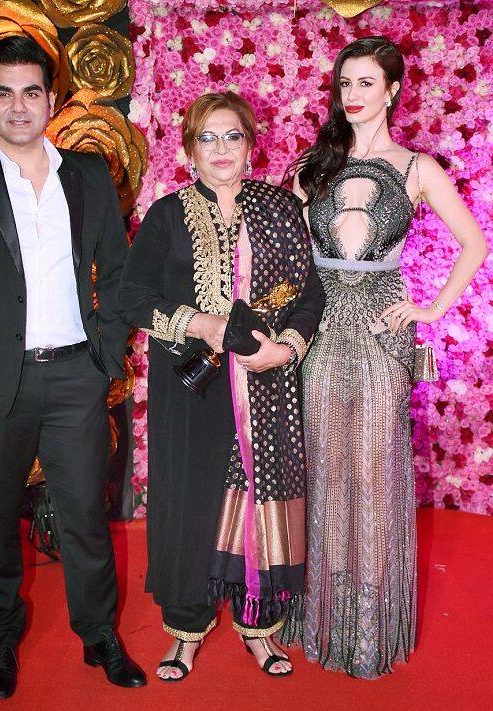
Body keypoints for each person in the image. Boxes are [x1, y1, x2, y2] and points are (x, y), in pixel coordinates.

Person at [0, 36, 146, 698]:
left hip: (75, 379)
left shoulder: (90, 173)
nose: (18, 106)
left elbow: (117, 274)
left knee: (86, 519)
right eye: (4, 92)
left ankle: (99, 636)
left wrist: (104, 359)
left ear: (51, 99)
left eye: (31, 91)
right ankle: (2, 639)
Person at [281, 36, 488, 678]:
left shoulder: (417, 168)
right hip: (318, 333)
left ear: (392, 89)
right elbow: (288, 254)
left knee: (373, 477)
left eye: (366, 82)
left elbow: (475, 244)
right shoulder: (314, 167)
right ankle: (323, 619)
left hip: (379, 332)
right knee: (324, 474)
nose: (353, 95)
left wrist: (430, 310)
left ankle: (369, 629)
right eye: (345, 83)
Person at [118, 92, 325, 681]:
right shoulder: (168, 214)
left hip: (265, 384)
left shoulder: (279, 210)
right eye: (206, 137)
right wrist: (199, 323)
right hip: (193, 388)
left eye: (232, 135)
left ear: (251, 145)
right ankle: (184, 630)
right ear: (189, 150)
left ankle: (260, 626)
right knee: (191, 502)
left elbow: (308, 293)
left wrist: (285, 349)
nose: (221, 149)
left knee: (261, 502)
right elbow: (133, 297)